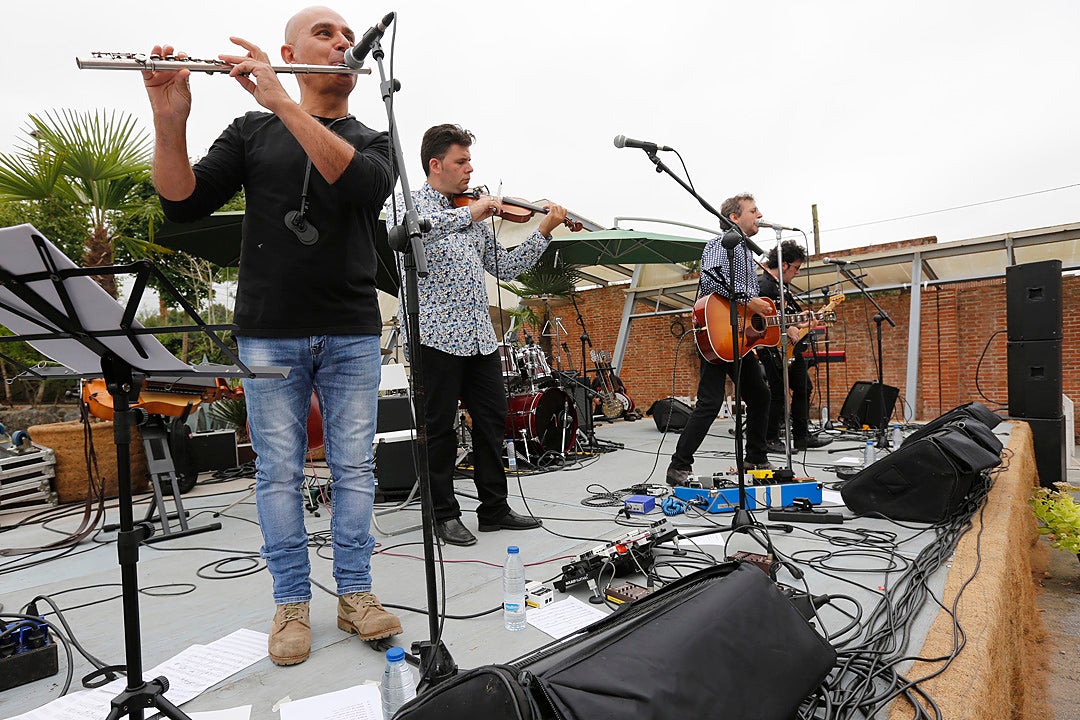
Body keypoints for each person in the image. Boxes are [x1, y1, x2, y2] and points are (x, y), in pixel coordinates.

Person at [144, 6, 402, 666]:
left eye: (348, 36)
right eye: (326, 33)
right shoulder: (251, 131)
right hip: (269, 330)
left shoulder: (375, 137)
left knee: (353, 469)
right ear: (291, 49)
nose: (343, 42)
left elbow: (360, 186)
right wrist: (168, 117)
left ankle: (356, 596)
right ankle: (291, 604)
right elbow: (181, 201)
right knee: (279, 476)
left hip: (348, 329)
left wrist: (282, 99)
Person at [385, 123, 567, 547]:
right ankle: (444, 514)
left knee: (491, 424)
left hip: (480, 337)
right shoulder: (408, 204)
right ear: (436, 165)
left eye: (470, 160)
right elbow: (413, 233)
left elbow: (504, 267)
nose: (470, 169)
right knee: (440, 429)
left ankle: (494, 509)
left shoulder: (473, 213)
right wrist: (472, 212)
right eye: (461, 161)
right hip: (434, 336)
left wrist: (543, 231)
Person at [666, 193, 773, 486]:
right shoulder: (720, 244)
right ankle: (678, 466)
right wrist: (749, 300)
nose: (760, 215)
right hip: (717, 334)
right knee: (710, 403)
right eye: (754, 210)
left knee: (760, 396)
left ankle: (755, 457)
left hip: (739, 339)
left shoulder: (748, 253)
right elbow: (713, 279)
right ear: (734, 218)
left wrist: (755, 313)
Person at [757, 241, 832, 452]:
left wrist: (804, 321)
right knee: (778, 392)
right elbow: (761, 316)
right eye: (796, 268)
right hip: (773, 348)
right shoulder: (765, 285)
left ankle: (801, 436)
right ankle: (770, 438)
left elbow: (787, 316)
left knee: (803, 387)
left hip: (790, 347)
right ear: (784, 264)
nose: (797, 272)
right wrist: (789, 325)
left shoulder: (783, 288)